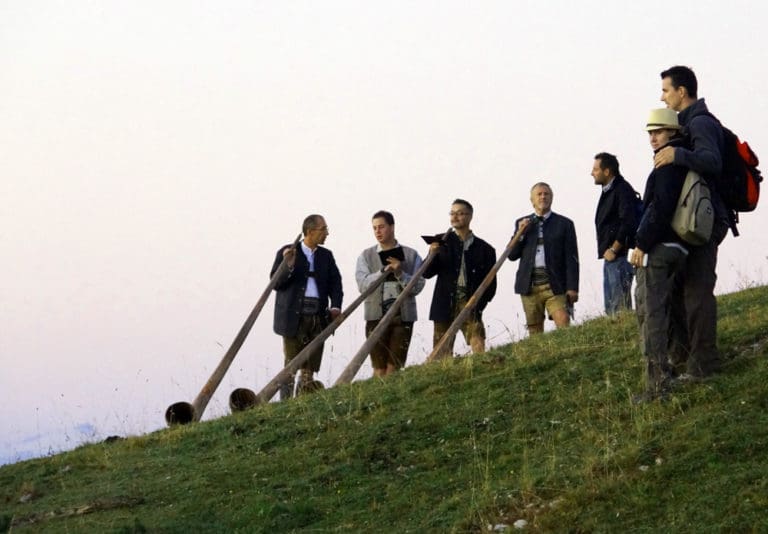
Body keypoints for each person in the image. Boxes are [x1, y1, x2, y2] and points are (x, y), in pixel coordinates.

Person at [655, 65, 726, 380]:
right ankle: (683, 357)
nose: (663, 96)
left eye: (666, 90)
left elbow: (712, 161)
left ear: (682, 91)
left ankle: (703, 363)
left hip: (704, 222)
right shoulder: (684, 126)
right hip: (690, 222)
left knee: (697, 291)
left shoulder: (700, 123)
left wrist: (677, 156)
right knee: (676, 289)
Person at [630, 108, 690, 402]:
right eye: (651, 133)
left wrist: (641, 243)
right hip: (681, 245)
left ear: (673, 132)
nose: (653, 138)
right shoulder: (685, 159)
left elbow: (660, 208)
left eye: (659, 131)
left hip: (659, 247)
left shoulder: (666, 164)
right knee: (674, 310)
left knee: (650, 313)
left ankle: (657, 385)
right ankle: (680, 364)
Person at [271, 214, 343, 399]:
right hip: (294, 317)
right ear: (310, 232)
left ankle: (303, 403)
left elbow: (336, 283)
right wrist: (289, 265)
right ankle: (285, 405)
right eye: (324, 229)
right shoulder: (287, 251)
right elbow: (276, 283)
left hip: (318, 315)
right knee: (291, 364)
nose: (327, 233)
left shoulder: (326, 256)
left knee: (310, 366)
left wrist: (335, 307)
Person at [355, 210, 425, 377]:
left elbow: (418, 286)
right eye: (374, 228)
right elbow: (362, 285)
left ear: (392, 227)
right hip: (375, 316)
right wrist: (382, 271)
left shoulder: (411, 254)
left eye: (381, 227)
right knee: (379, 368)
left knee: (394, 367)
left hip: (403, 316)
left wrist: (401, 273)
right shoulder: (366, 255)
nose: (377, 232)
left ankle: (391, 399)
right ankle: (376, 401)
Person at [424, 199, 496, 358]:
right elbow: (426, 273)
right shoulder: (441, 241)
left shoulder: (485, 249)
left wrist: (479, 305)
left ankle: (479, 369)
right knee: (442, 349)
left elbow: (491, 284)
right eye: (452, 213)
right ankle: (444, 378)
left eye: (460, 213)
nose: (455, 217)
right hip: (444, 303)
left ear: (470, 217)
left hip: (470, 301)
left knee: (477, 339)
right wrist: (432, 254)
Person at [508, 183, 579, 336]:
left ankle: (568, 353)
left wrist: (573, 287)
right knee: (535, 331)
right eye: (539, 194)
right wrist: (520, 234)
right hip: (530, 285)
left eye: (546, 194)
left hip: (554, 284)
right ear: (532, 200)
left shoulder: (564, 224)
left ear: (551, 198)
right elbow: (512, 255)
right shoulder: (522, 223)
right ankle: (544, 356)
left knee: (563, 320)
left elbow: (572, 258)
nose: (543, 197)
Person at [591, 152, 639, 315]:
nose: (592, 173)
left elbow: (628, 221)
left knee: (619, 309)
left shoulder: (621, 189)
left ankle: (625, 337)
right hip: (612, 256)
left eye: (596, 169)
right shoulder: (609, 191)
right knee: (612, 309)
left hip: (619, 256)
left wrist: (614, 248)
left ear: (607, 171)